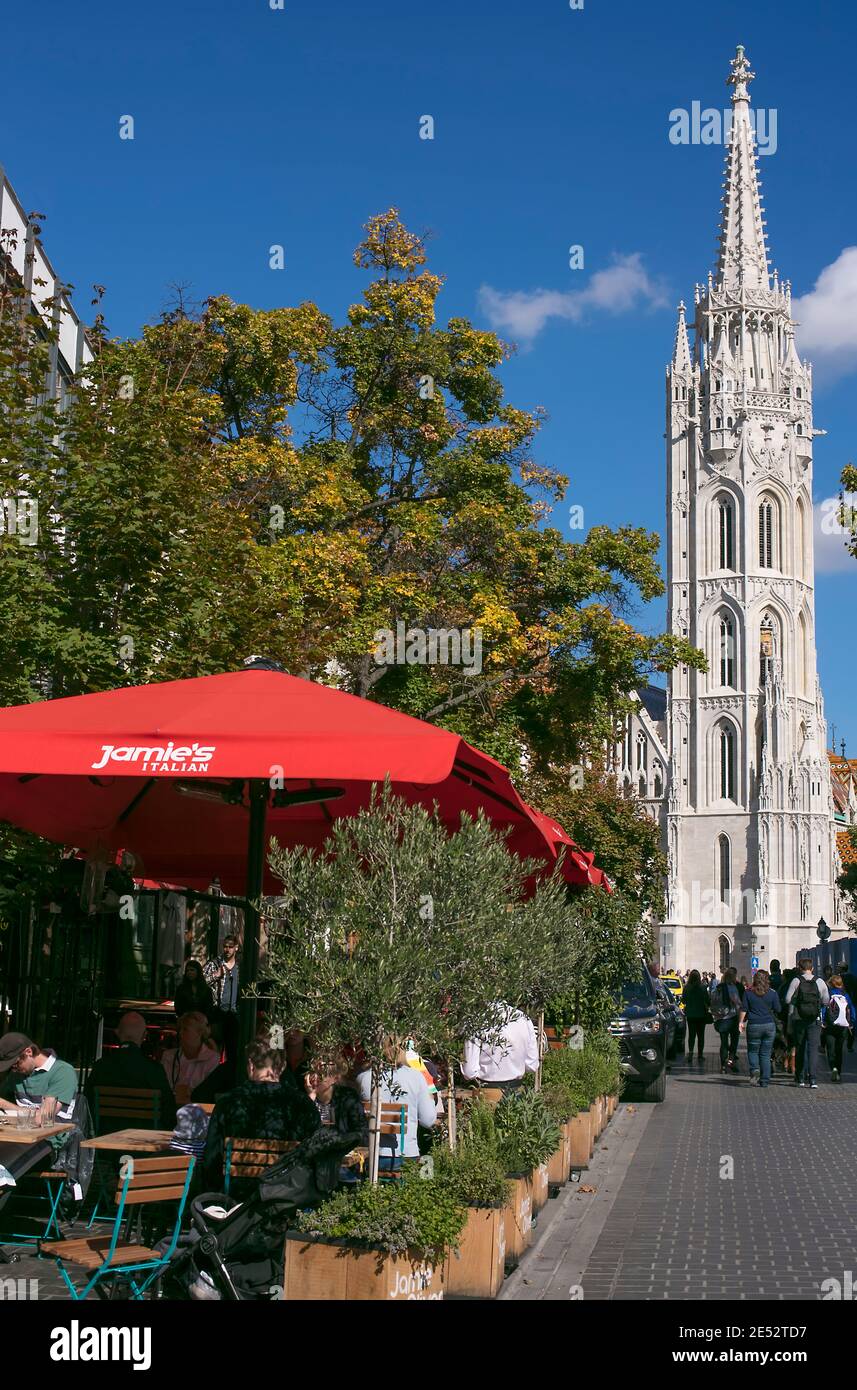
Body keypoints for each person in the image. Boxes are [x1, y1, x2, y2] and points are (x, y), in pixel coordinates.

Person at [202, 1041, 320, 1189]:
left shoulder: (227, 1103)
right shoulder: (303, 1104)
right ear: (283, 1066)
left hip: (237, 1193)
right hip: (289, 1192)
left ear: (250, 1066)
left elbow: (211, 1159)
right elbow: (316, 1153)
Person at [85, 1011, 176, 1130]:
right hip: (145, 1136)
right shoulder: (154, 1069)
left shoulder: (100, 1067)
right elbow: (169, 1111)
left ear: (117, 1033)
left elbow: (87, 1105)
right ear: (144, 1036)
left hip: (105, 1134)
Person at [357, 1042, 438, 1162]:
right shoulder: (416, 1077)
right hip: (405, 1154)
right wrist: (430, 1097)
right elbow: (428, 1121)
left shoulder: (364, 1078)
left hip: (370, 1156)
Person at [461, 1005, 539, 1092]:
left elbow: (469, 1072)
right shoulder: (524, 1019)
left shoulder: (476, 1020)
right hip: (516, 1091)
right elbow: (532, 1065)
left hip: (486, 1092)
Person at [784, 958, 829, 1089]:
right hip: (814, 1019)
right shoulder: (819, 981)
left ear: (800, 968)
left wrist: (797, 1002)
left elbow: (787, 999)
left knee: (800, 1047)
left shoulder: (796, 980)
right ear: (812, 968)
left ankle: (800, 1078)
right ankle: (813, 1079)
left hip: (799, 1019)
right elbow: (826, 1000)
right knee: (813, 1049)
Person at [160, 1011, 221, 1107]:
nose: (180, 1033)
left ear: (199, 1032)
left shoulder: (212, 1059)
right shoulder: (168, 1056)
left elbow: (209, 1096)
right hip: (170, 1110)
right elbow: (162, 1088)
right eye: (180, 1029)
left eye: (185, 1029)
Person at [738, 969, 781, 1088]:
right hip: (769, 1025)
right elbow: (778, 1009)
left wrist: (741, 1022)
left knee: (753, 1050)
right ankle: (765, 1080)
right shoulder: (772, 993)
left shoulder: (748, 993)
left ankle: (755, 1069)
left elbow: (744, 1009)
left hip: (754, 1025)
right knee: (766, 1053)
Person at [306, 1062, 368, 1140]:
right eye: (312, 1072)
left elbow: (361, 1132)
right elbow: (298, 1133)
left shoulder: (347, 1097)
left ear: (334, 1079)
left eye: (321, 1074)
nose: (314, 1078)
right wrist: (310, 1099)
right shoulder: (304, 1098)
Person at [203, 936, 241, 1064]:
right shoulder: (214, 964)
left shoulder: (240, 967)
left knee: (233, 1051)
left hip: (234, 1014)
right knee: (215, 1050)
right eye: (225, 946)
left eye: (230, 947)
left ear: (236, 948)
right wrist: (215, 976)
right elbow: (200, 982)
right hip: (217, 1013)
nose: (227, 949)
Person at [822, 974, 854, 1083]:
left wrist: (823, 1022)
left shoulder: (829, 994)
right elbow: (851, 1009)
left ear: (831, 984)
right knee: (839, 1050)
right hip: (843, 1026)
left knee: (830, 1050)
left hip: (830, 1026)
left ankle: (833, 1068)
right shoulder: (846, 995)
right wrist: (851, 1023)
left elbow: (824, 1008)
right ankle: (838, 1073)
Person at [710, 968, 742, 1074]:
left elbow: (712, 1001)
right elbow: (737, 1003)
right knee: (734, 1041)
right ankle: (730, 1061)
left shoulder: (718, 987)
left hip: (720, 1018)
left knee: (724, 1043)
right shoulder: (733, 987)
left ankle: (723, 1066)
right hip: (732, 1017)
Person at [681, 970, 710, 1063]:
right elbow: (708, 1000)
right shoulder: (703, 987)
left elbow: (683, 1000)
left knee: (691, 1035)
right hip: (701, 1014)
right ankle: (700, 1055)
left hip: (691, 1014)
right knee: (701, 1036)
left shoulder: (686, 987)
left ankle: (690, 1053)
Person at [836, 961, 857, 1051]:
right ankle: (850, 1045)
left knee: (839, 1022)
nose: (837, 968)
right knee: (851, 1022)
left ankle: (839, 1043)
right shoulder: (853, 977)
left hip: (840, 1003)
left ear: (841, 968)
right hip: (851, 1003)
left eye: (838, 967)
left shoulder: (838, 978)